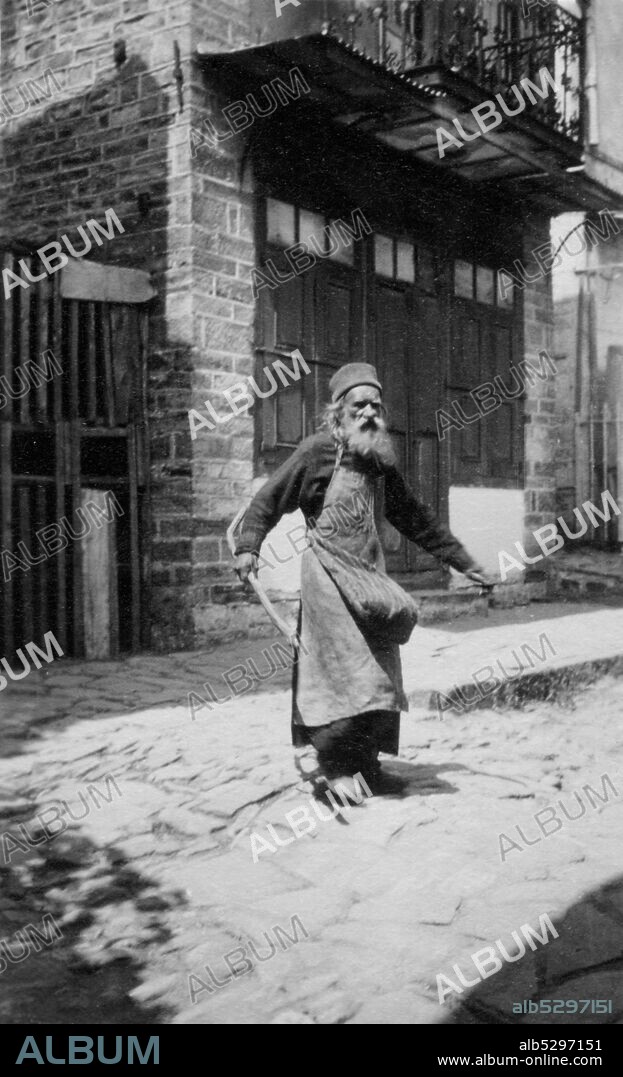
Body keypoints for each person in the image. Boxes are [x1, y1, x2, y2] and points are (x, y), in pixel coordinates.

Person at [233, 363, 490, 798]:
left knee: (379, 673)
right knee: (337, 675)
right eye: (359, 406)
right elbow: (267, 499)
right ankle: (335, 770)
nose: (369, 413)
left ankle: (368, 768)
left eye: (375, 405)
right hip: (328, 581)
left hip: (368, 579)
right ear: (338, 411)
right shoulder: (316, 452)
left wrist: (462, 561)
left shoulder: (378, 459)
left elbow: (414, 517)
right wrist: (248, 547)